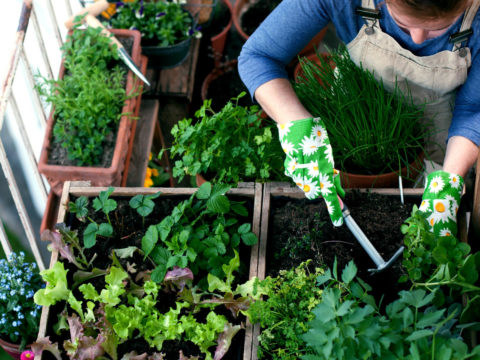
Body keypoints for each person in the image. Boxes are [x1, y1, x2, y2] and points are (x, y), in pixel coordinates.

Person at [238, 0, 480, 238]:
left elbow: (472, 108)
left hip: (443, 132)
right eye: (403, 24)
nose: (416, 38)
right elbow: (259, 56)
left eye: (439, 28)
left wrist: (449, 180)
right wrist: (297, 123)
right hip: (355, 112)